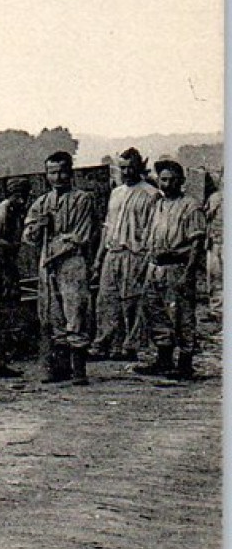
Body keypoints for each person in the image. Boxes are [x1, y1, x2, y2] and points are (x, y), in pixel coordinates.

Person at [23, 151, 99, 384]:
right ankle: (60, 367)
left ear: (70, 173)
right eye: (52, 172)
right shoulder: (42, 202)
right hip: (47, 264)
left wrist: (57, 246)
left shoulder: (82, 199)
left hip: (70, 263)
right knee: (51, 313)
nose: (57, 177)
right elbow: (28, 235)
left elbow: (81, 236)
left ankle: (79, 370)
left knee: (74, 312)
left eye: (62, 172)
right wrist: (38, 228)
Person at [136, 160, 206, 379]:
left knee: (182, 316)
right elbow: (149, 237)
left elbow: (197, 244)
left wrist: (189, 273)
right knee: (156, 313)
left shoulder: (191, 206)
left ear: (181, 181)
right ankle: (163, 360)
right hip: (155, 267)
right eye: (163, 180)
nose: (167, 184)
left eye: (172, 180)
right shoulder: (157, 204)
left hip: (177, 266)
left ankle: (185, 364)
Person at [91, 148, 161, 360]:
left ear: (140, 166)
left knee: (132, 301)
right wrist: (98, 258)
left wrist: (147, 259)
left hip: (135, 254)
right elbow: (108, 226)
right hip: (113, 252)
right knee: (106, 300)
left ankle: (130, 346)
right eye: (123, 168)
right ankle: (104, 343)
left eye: (131, 167)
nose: (127, 171)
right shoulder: (116, 193)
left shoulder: (151, 194)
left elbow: (153, 230)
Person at [0, 178, 33, 370]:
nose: (21, 200)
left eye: (23, 196)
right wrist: (6, 275)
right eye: (17, 196)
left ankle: (6, 350)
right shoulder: (2, 214)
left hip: (5, 263)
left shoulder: (14, 211)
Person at [205, 177, 223, 321]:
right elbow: (208, 217)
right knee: (215, 277)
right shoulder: (216, 197)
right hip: (216, 242)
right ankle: (216, 311)